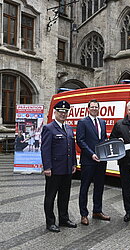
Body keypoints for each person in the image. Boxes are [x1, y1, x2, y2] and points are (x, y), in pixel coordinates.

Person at [41, 100, 77, 233]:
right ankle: (50, 222)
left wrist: (74, 163)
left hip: (67, 168)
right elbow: (45, 150)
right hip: (54, 169)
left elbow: (71, 148)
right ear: (55, 112)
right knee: (50, 196)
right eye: (61, 112)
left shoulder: (68, 128)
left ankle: (64, 219)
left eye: (65, 112)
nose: (63, 114)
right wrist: (47, 167)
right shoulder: (48, 128)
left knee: (64, 195)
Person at [76, 99, 110, 226]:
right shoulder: (82, 122)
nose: (94, 109)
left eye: (96, 107)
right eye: (92, 107)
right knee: (84, 187)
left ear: (98, 108)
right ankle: (83, 214)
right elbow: (80, 141)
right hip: (88, 161)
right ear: (88, 109)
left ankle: (97, 211)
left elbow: (103, 139)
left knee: (99, 186)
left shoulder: (102, 122)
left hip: (101, 160)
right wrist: (92, 154)